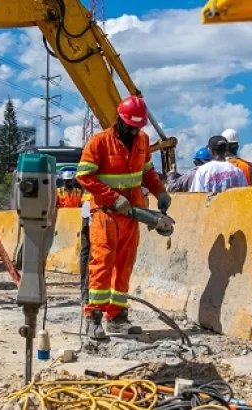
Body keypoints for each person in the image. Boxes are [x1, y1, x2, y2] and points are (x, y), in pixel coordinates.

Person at [76, 95, 171, 339]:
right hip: (106, 215)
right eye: (129, 126)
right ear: (119, 119)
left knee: (124, 266)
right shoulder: (99, 142)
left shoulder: (142, 141)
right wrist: (112, 198)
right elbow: (84, 176)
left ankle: (117, 317)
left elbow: (147, 172)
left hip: (132, 216)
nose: (132, 131)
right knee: (102, 265)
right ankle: (93, 316)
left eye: (137, 127)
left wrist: (160, 191)